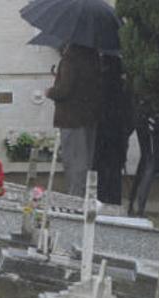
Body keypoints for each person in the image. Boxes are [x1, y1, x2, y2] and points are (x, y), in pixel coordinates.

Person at [47, 43, 102, 197]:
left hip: (71, 118)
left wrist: (50, 91)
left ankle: (75, 199)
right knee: (86, 161)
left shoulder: (70, 60)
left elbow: (64, 90)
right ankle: (84, 196)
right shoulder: (94, 58)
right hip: (89, 117)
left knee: (74, 162)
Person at [93, 55, 134, 205]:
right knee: (115, 170)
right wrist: (126, 132)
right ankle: (114, 201)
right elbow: (130, 114)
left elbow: (94, 110)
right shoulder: (124, 87)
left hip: (101, 134)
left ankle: (101, 200)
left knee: (100, 170)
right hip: (118, 135)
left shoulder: (99, 85)